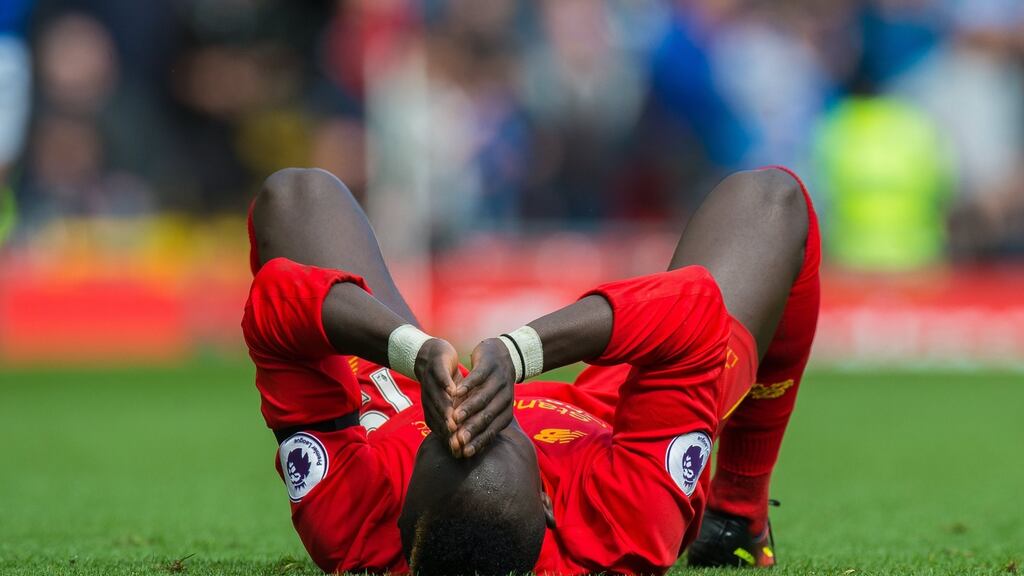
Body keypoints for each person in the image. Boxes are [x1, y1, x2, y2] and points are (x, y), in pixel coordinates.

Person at [241, 164, 820, 575]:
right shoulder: (622, 531)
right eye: (501, 430)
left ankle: (411, 387)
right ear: (546, 505)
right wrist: (520, 352)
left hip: (398, 402)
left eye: (444, 438)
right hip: (616, 425)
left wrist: (412, 350)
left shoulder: (352, 524)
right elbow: (689, 307)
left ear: (399, 510)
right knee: (773, 200)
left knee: (294, 196)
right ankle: (738, 515)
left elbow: (274, 302)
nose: (469, 410)